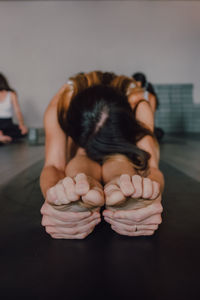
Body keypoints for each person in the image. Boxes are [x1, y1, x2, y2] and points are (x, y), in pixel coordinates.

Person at [40, 71, 164, 239]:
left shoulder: (138, 103)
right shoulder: (61, 105)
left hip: (120, 149)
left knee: (119, 158)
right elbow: (53, 165)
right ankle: (82, 185)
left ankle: (120, 183)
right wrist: (54, 198)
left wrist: (151, 195)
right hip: (81, 148)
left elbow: (152, 168)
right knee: (82, 155)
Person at [132, 72, 164, 141]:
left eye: (137, 85)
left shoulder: (150, 97)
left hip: (145, 126)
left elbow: (151, 117)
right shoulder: (130, 95)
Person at [0, 73, 28, 144]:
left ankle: (2, 137)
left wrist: (22, 125)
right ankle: (3, 137)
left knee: (23, 132)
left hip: (8, 124)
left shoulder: (11, 94)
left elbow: (17, 111)